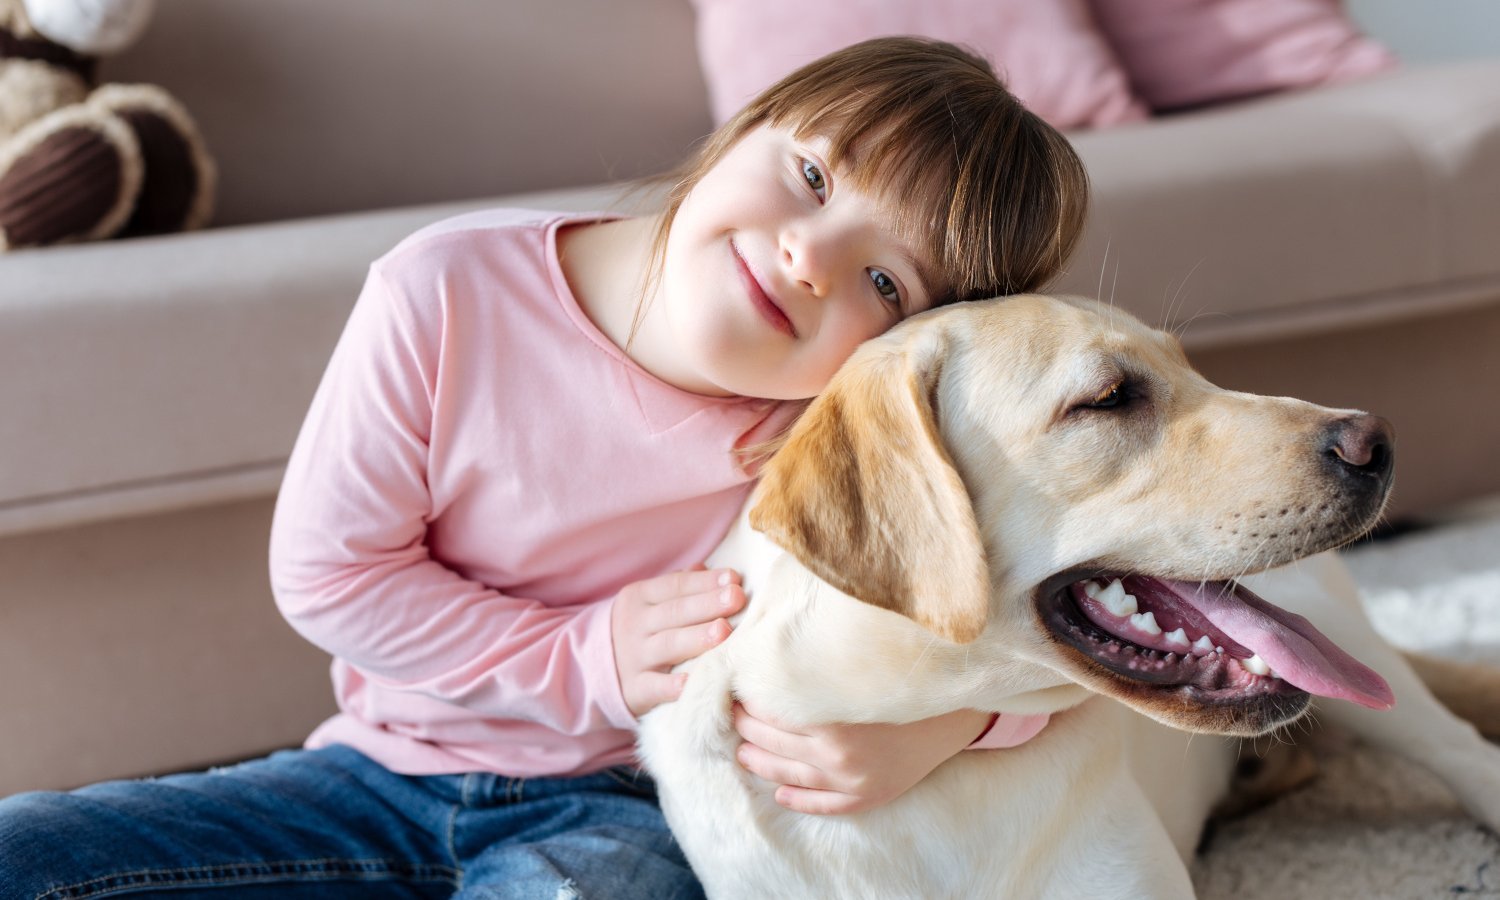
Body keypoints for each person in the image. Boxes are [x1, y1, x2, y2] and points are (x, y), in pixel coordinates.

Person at [0, 37, 1088, 898]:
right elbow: (332, 577)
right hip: (375, 775)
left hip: (632, 808)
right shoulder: (446, 289)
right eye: (810, 174)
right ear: (740, 129)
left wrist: (945, 733)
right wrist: (587, 655)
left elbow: (1051, 640)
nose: (810, 256)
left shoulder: (845, 437)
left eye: (887, 283)